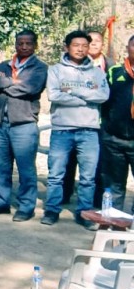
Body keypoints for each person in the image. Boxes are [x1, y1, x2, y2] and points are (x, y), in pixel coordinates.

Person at [42, 30, 109, 229]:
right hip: (62, 130)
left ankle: (84, 213)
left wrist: (73, 91)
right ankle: (52, 210)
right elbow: (54, 96)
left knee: (88, 177)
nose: (80, 49)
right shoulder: (55, 70)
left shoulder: (97, 72)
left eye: (84, 45)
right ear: (66, 47)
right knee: (56, 175)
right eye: (75, 45)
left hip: (89, 131)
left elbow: (103, 96)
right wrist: (88, 95)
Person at [0, 30, 48, 221]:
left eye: (28, 43)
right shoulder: (4, 64)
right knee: (0, 166)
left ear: (35, 45)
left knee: (25, 167)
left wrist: (6, 83)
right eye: (20, 43)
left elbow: (31, 88)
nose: (24, 47)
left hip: (23, 123)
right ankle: (2, 201)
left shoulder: (39, 67)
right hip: (0, 123)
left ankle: (26, 206)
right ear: (16, 44)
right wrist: (12, 82)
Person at [101, 36, 134, 211]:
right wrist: (107, 131)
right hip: (115, 140)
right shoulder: (114, 72)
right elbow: (104, 103)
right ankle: (113, 226)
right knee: (114, 187)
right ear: (127, 47)